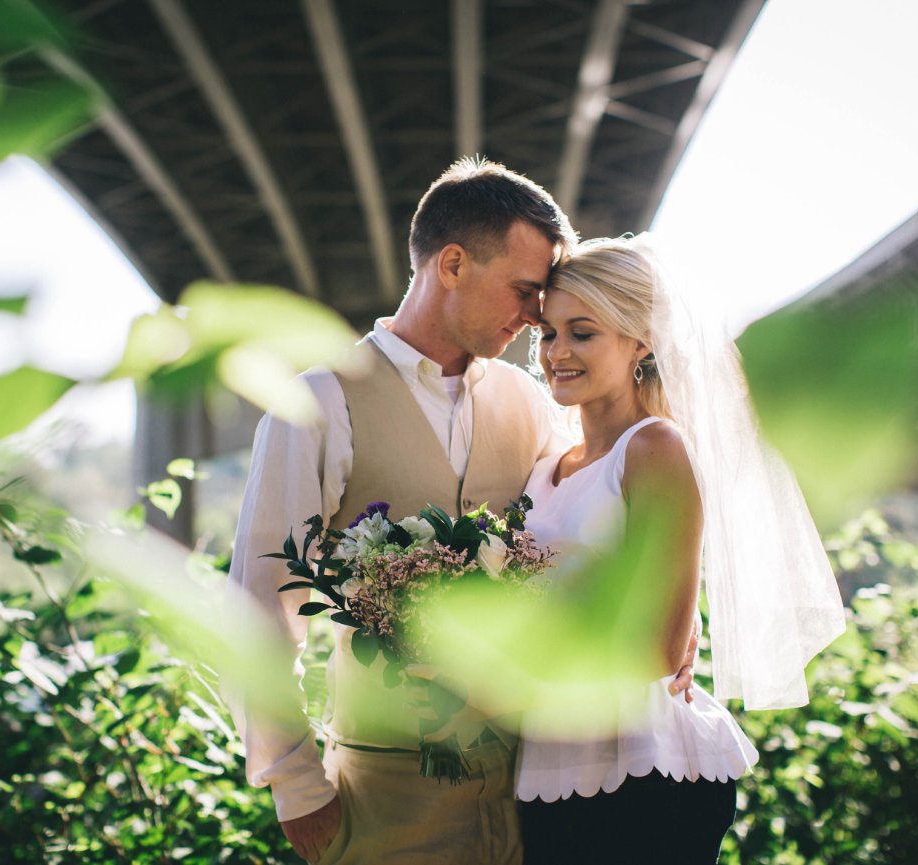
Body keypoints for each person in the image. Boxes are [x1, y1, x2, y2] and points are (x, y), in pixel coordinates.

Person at [226, 159, 698, 865]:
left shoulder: (533, 404)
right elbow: (259, 605)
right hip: (382, 796)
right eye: (524, 290)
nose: (537, 317)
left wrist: (667, 636)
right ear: (451, 263)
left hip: (535, 793)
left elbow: (598, 522)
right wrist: (295, 784)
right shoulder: (318, 403)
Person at [512, 235, 847, 864]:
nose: (557, 352)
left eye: (582, 333)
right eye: (548, 333)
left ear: (639, 341)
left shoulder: (655, 447)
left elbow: (662, 649)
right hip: (551, 760)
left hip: (645, 768)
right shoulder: (548, 462)